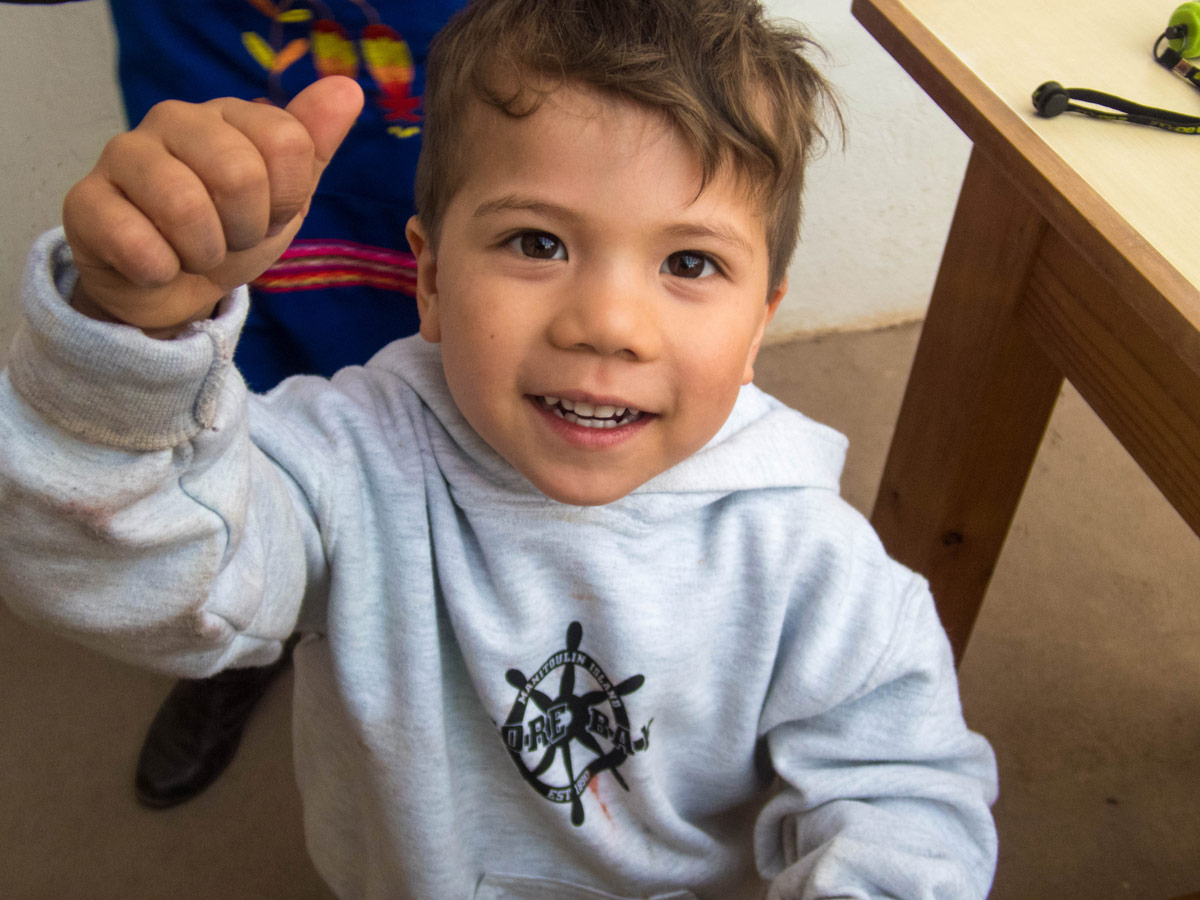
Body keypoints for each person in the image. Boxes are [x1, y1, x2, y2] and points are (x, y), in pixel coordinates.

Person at [0, 0, 999, 895]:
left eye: (689, 262)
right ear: (428, 280)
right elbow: (131, 572)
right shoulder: (343, 464)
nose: (609, 322)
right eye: (537, 243)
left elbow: (905, 800)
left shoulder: (814, 563)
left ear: (758, 326)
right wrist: (125, 348)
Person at [3, 0, 466, 808]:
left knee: (484, 346)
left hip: (476, 70)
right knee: (221, 342)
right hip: (216, 75)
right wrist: (124, 348)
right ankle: (251, 613)